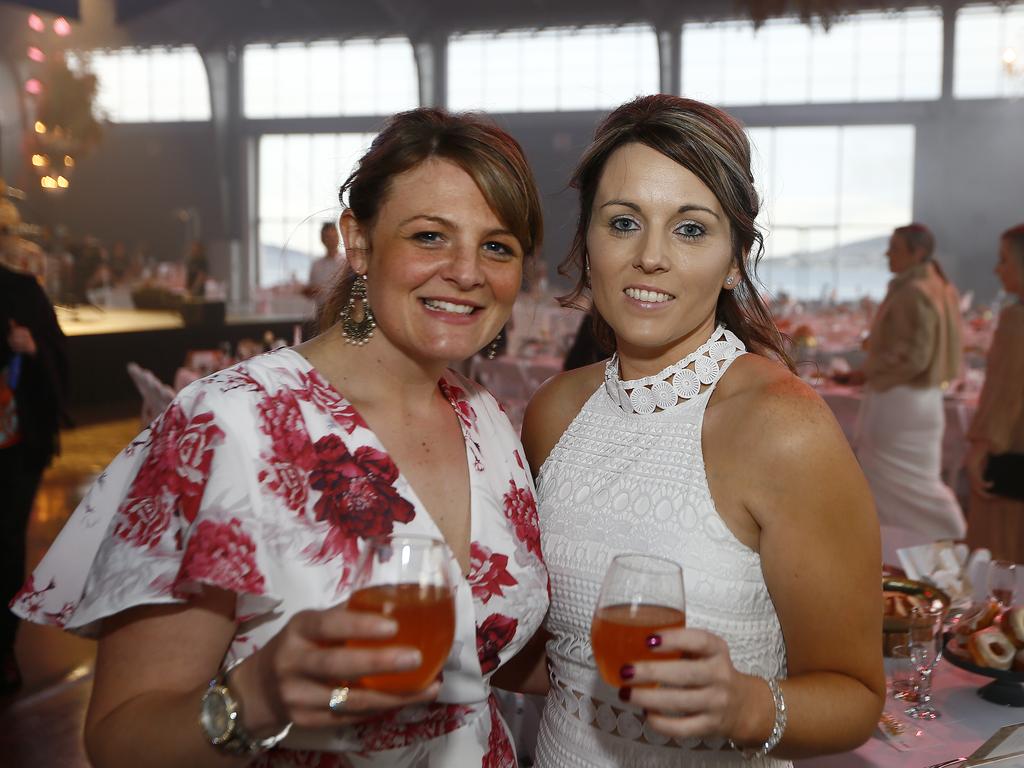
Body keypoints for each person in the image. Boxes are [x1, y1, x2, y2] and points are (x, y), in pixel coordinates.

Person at [10, 108, 548, 767]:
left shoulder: (488, 421)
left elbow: (485, 648)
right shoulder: (227, 425)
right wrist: (257, 696)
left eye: (497, 246)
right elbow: (121, 741)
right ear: (359, 241)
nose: (467, 271)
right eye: (430, 236)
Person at [516, 95, 883, 766]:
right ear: (586, 243)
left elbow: (856, 696)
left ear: (736, 259)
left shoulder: (783, 428)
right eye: (623, 222)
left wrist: (744, 705)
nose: (650, 257)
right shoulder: (554, 411)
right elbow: (559, 664)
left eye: (690, 229)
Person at [839, 224, 965, 541]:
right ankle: (904, 549)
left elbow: (914, 359)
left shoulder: (914, 291)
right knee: (908, 481)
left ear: (917, 252)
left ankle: (942, 533)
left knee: (894, 479)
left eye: (895, 248)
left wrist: (870, 371)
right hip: (925, 399)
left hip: (901, 400)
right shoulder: (938, 285)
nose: (887, 254)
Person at [0, 247, 69, 696]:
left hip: (13, 445)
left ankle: (3, 647)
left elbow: (56, 351)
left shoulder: (20, 289)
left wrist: (33, 346)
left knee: (6, 543)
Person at [965, 224, 1024, 563]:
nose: (997, 269)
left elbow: (1005, 390)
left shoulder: (1016, 318)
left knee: (1000, 557)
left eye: (1004, 260)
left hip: (1013, 456)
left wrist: (982, 445)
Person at [305, 222, 346, 308]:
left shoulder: (346, 263)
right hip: (321, 311)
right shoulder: (316, 265)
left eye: (334, 236)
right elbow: (310, 290)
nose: (332, 240)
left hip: (342, 310)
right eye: (328, 237)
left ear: (338, 237)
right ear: (322, 239)